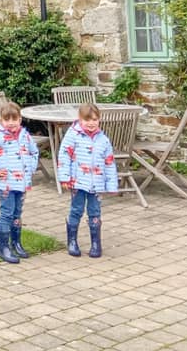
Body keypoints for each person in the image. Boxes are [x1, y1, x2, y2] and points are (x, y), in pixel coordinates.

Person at [0, 101, 39, 264]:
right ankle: (3, 247)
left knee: (17, 212)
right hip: (6, 184)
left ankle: (16, 243)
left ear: (20, 119)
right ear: (2, 120)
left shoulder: (24, 135)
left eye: (15, 119)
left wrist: (31, 168)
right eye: (7, 119)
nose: (11, 123)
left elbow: (34, 152)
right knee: (7, 213)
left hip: (22, 183)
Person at [57, 102, 119, 258]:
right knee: (76, 210)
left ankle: (96, 243)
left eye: (94, 119)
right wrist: (64, 177)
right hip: (78, 182)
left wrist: (111, 184)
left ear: (99, 120)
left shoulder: (103, 140)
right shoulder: (73, 135)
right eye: (87, 120)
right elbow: (64, 155)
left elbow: (109, 162)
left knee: (95, 212)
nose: (91, 123)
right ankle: (72, 241)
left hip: (96, 184)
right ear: (80, 119)